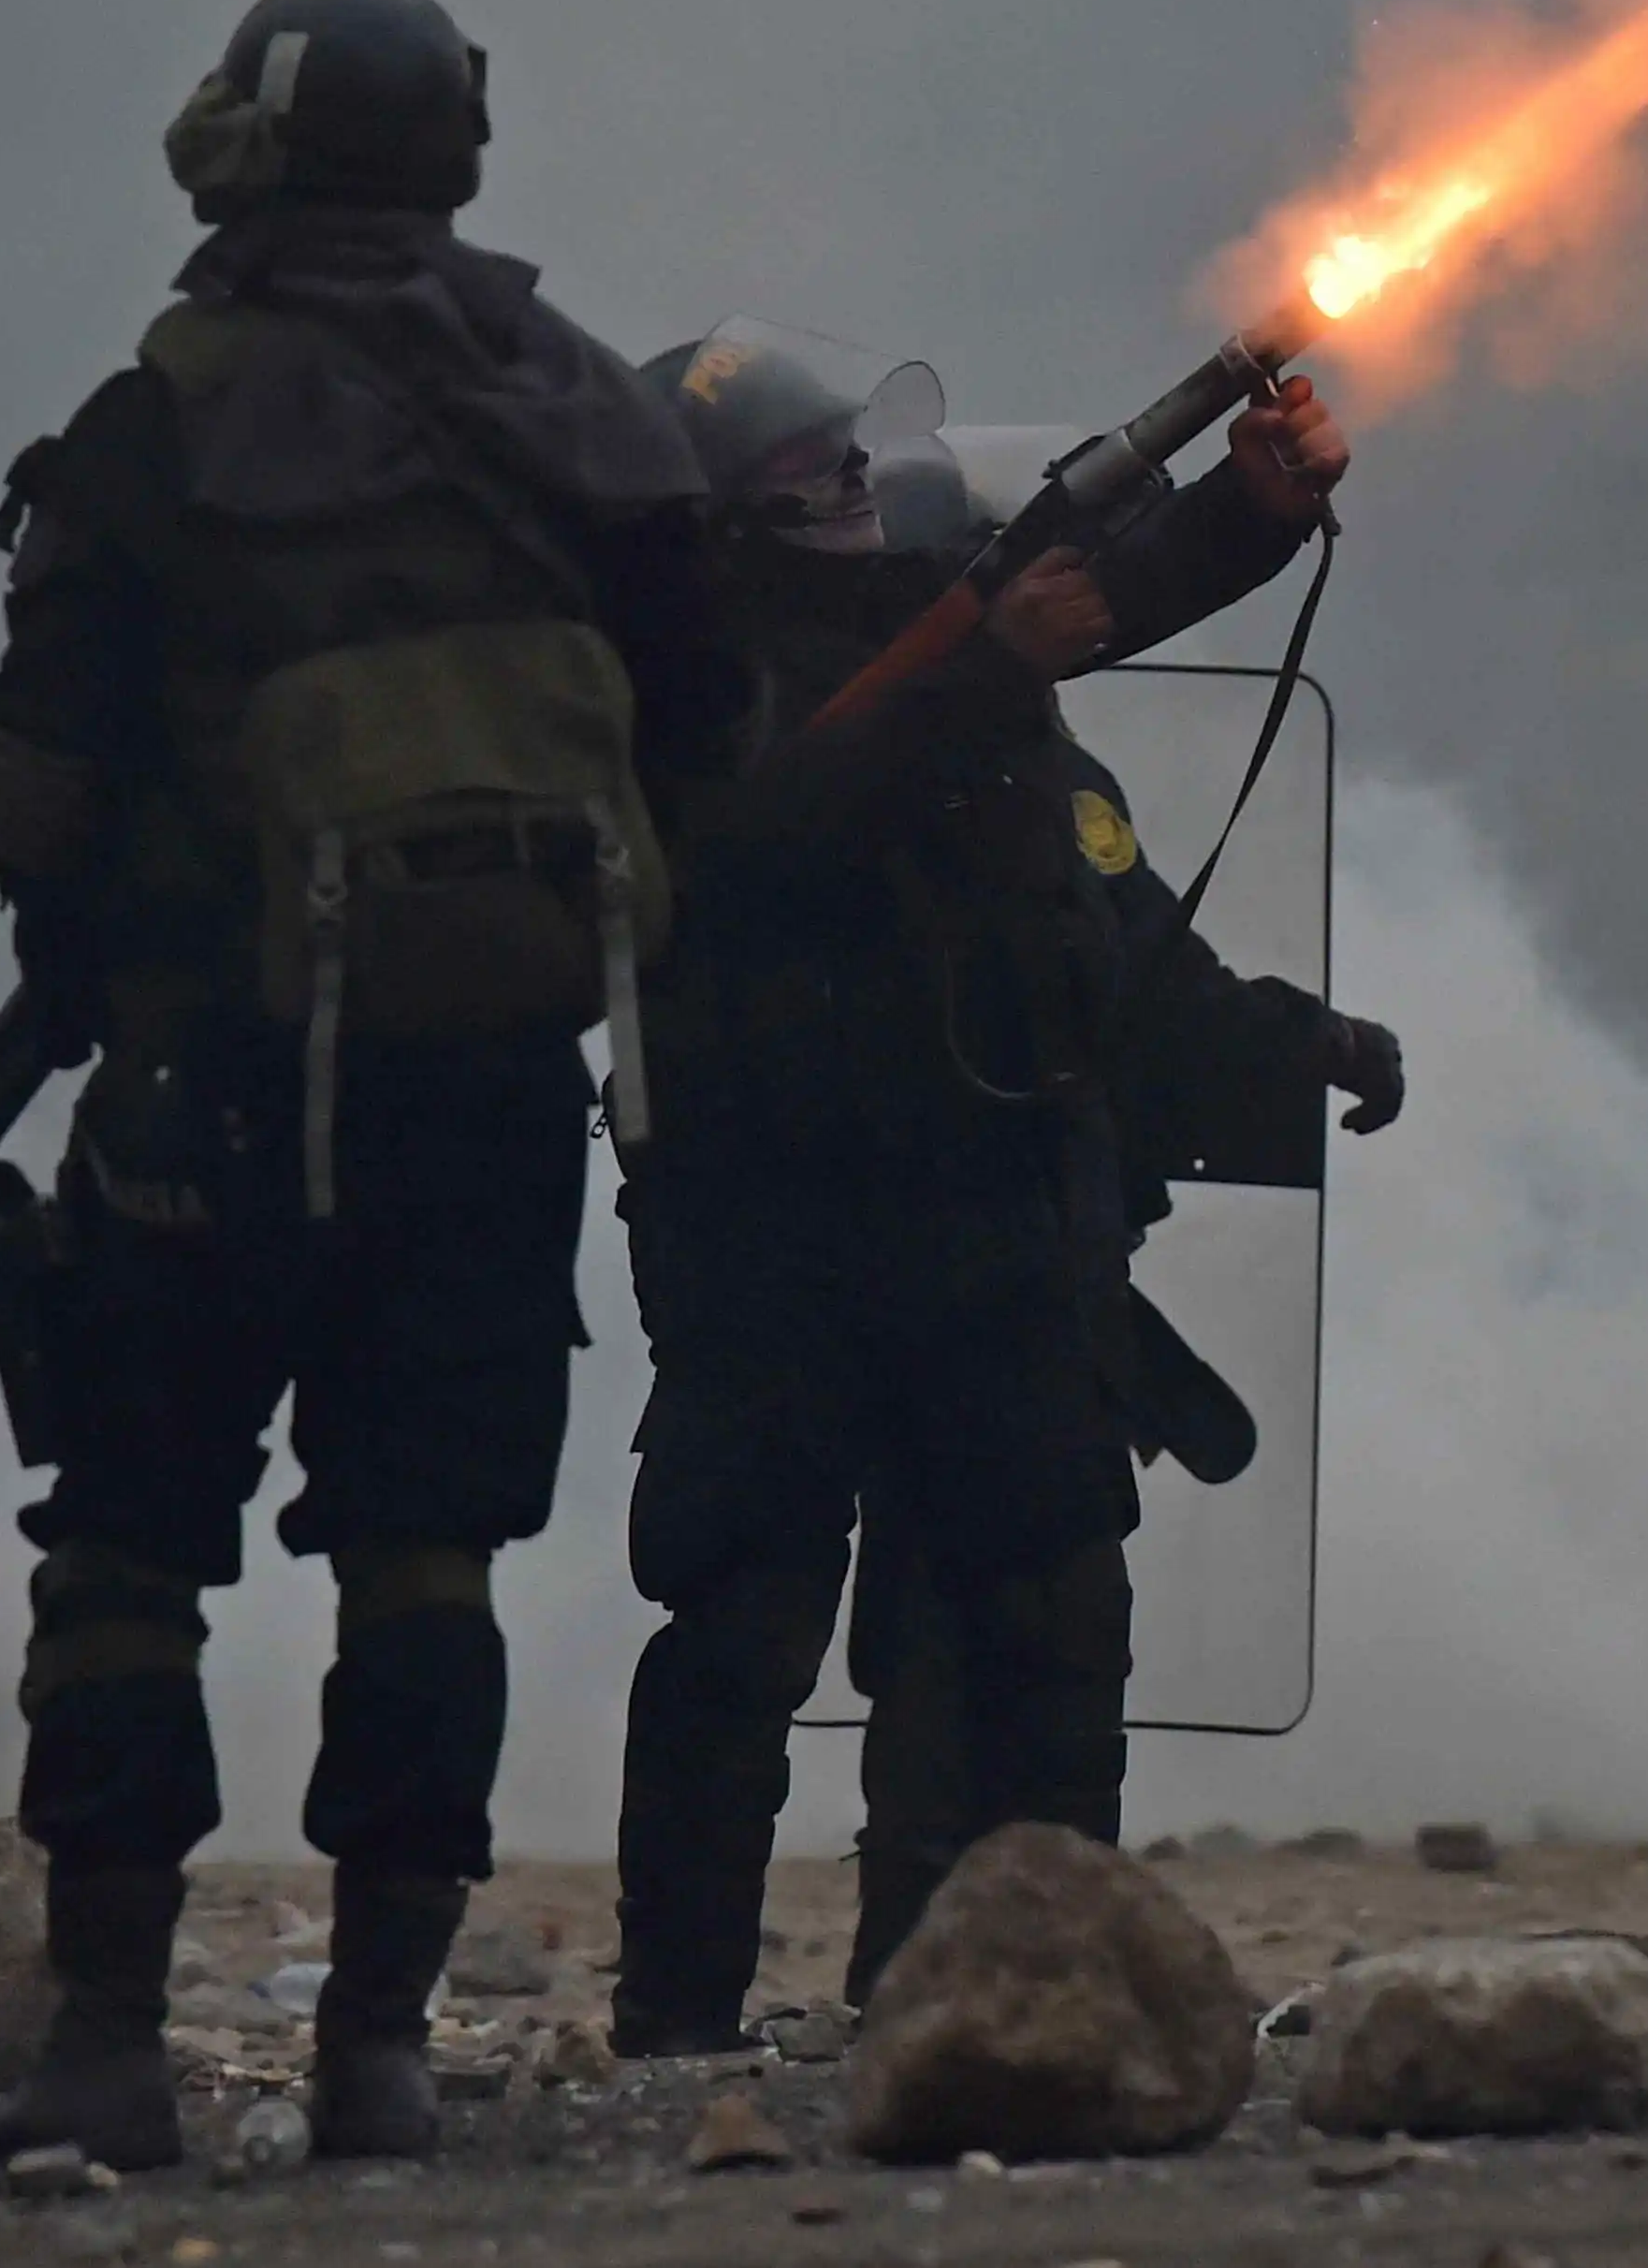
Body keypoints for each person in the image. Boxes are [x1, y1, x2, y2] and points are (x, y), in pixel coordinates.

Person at [0, 0, 752, 2168]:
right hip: (489, 1101)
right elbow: (709, 736)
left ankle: (107, 2045)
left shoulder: (161, 423)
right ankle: (376, 2052)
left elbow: (36, 795)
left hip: (205, 1090)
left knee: (125, 1556)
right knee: (426, 1561)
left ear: (257, 143)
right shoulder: (594, 416)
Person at [603, 322, 1405, 2056]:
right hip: (776, 1238)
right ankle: (675, 2025)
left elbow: (1086, 618)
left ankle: (1007, 1997)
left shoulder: (946, 659)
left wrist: (1249, 514)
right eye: (804, 476)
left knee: (1036, 1624)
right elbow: (760, 832)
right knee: (741, 1627)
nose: (847, 495)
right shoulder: (676, 680)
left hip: (991, 1229)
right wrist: (982, 668)